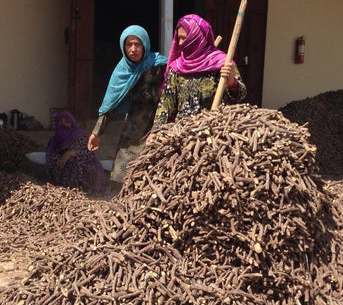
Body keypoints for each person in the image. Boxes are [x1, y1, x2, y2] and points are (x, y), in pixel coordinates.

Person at [87, 25, 167, 183]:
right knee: (122, 168)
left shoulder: (160, 65)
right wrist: (97, 133)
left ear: (145, 45)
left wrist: (160, 127)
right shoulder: (122, 70)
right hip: (134, 123)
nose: (133, 49)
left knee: (154, 167)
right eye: (128, 45)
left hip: (159, 121)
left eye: (137, 44)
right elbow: (110, 103)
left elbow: (170, 97)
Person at [149, 14, 247, 134]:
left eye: (184, 38)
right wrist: (155, 132)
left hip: (215, 132)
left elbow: (241, 95)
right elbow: (165, 105)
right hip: (183, 134)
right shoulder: (177, 68)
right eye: (178, 38)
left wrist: (232, 82)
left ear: (196, 37)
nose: (180, 43)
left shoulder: (222, 63)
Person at [46, 110, 105, 192]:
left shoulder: (79, 136)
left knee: (75, 161)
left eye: (66, 122)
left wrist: (70, 154)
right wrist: (61, 160)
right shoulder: (54, 140)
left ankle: (81, 188)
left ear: (71, 123)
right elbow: (50, 155)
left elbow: (89, 153)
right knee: (53, 160)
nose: (63, 124)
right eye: (60, 122)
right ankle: (62, 186)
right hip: (63, 172)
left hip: (84, 169)